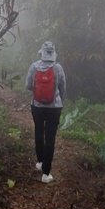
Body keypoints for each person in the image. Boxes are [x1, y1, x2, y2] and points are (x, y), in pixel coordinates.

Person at [25, 41, 66, 183]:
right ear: (53, 53)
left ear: (41, 53)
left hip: (36, 106)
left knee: (38, 131)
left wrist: (38, 90)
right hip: (54, 108)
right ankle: (46, 174)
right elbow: (63, 87)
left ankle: (40, 162)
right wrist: (60, 100)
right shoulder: (58, 68)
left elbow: (28, 86)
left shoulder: (34, 66)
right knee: (50, 138)